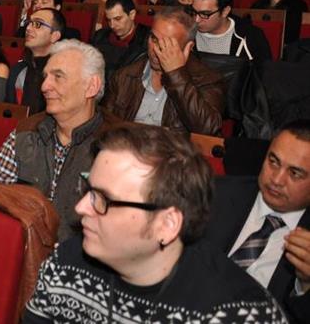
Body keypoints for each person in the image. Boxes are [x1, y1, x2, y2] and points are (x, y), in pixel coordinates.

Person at [23, 124, 289, 324]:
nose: (80, 208)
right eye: (88, 190)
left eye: (103, 199)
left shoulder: (242, 315)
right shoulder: (66, 264)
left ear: (167, 225)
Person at [0, 39, 119, 240]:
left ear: (91, 87)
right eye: (45, 77)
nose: (44, 86)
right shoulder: (26, 131)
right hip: (20, 250)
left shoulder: (117, 148)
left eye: (58, 77)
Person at [200, 120, 310, 323]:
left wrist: (305, 285)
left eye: (294, 173)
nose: (276, 179)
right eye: (273, 161)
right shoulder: (215, 193)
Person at [103, 5, 226, 135]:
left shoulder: (207, 80)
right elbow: (105, 127)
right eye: (154, 39)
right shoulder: (124, 76)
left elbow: (207, 129)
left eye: (168, 45)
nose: (157, 49)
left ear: (188, 48)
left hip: (174, 152)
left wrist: (176, 74)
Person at [192, 0, 272, 62]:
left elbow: (266, 72)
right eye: (194, 12)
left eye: (205, 14)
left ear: (225, 11)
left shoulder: (251, 37)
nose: (196, 19)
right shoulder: (186, 32)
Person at [11, 8, 64, 111]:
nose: (29, 28)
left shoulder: (62, 73)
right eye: (29, 22)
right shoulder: (18, 69)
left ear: (54, 36)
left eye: (38, 24)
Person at [91, 0, 150, 78]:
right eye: (108, 20)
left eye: (118, 19)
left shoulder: (147, 39)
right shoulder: (99, 37)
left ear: (132, 15)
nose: (112, 25)